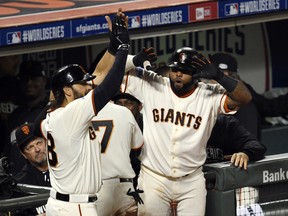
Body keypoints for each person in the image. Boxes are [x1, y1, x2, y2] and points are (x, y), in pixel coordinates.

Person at [119, 47, 252, 215]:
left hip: (191, 181)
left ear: (196, 73)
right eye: (175, 69)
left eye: (184, 70)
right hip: (153, 177)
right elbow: (110, 73)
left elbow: (245, 98)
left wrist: (219, 76)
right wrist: (132, 60)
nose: (178, 74)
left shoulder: (209, 94)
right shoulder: (152, 84)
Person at [34, 9, 130, 216]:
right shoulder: (72, 114)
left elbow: (100, 76)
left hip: (60, 203)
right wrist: (123, 49)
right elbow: (109, 86)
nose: (88, 87)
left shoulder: (51, 116)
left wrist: (112, 48)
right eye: (82, 84)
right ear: (67, 90)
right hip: (75, 207)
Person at [94, 101, 143, 216]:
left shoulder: (80, 112)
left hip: (97, 188)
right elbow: (137, 145)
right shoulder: (125, 112)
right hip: (125, 188)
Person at [3, 60, 49, 175]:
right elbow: (7, 152)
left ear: (44, 80)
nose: (29, 83)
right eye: (25, 79)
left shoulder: (52, 110)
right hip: (19, 184)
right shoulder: (15, 115)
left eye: (34, 78)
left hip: (49, 180)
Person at [209, 53, 262, 139]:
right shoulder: (206, 101)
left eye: (216, 75)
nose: (209, 80)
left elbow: (248, 149)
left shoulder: (245, 109)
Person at [12, 122, 50, 216]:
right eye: (30, 147)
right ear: (23, 154)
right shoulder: (20, 183)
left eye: (39, 143)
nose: (37, 149)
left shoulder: (64, 170)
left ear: (46, 141)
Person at [112, 92, 143, 189]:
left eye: (128, 103)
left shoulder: (149, 125)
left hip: (145, 179)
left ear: (139, 107)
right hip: (117, 182)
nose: (123, 108)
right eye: (118, 104)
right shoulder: (109, 125)